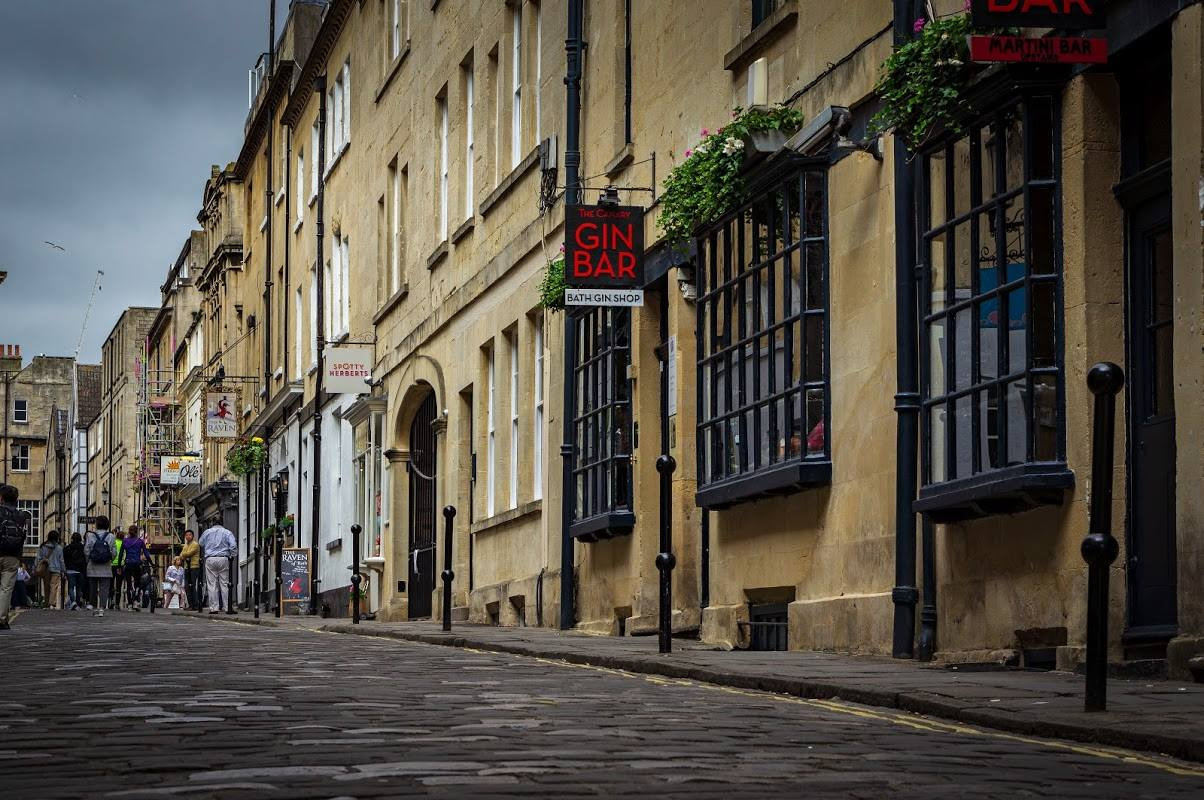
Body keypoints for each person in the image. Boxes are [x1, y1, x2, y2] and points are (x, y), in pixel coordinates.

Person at [0, 483, 28, 631]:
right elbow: (23, 537)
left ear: (1, 498)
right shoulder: (21, 516)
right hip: (12, 556)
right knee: (6, 589)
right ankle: (2, 619)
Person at [199, 522, 236, 614]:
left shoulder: (207, 532)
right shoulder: (227, 532)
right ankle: (227, 607)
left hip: (210, 558)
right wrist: (233, 555)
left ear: (212, 523)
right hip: (223, 558)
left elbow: (200, 543)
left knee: (212, 584)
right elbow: (233, 545)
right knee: (225, 583)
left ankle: (214, 608)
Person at [84, 517, 116, 618]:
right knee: (104, 589)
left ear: (97, 524)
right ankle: (102, 608)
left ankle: (94, 607)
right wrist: (109, 559)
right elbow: (114, 552)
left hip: (93, 566)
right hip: (106, 567)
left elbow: (86, 550)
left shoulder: (90, 535)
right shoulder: (111, 536)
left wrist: (88, 560)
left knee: (93, 588)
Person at [36, 530, 66, 610]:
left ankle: (46, 603)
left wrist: (37, 566)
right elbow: (61, 560)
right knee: (54, 586)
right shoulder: (59, 548)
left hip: (46, 569)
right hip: (56, 569)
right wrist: (63, 570)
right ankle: (51, 603)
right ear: (57, 538)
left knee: (46, 586)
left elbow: (38, 558)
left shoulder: (43, 546)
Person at [119, 525, 146, 611]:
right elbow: (146, 553)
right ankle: (136, 602)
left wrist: (119, 566)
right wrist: (151, 563)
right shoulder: (140, 541)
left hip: (128, 564)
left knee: (129, 584)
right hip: (137, 564)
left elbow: (120, 554)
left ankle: (130, 604)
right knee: (137, 584)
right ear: (137, 532)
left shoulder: (125, 541)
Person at [63, 532, 88, 610]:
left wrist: (65, 568)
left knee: (71, 587)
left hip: (70, 570)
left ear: (72, 539)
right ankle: (78, 602)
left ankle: (73, 602)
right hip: (80, 570)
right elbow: (85, 559)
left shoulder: (67, 548)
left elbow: (64, 559)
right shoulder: (83, 548)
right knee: (79, 588)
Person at [180, 530, 201, 610]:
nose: (188, 536)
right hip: (187, 567)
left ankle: (195, 605)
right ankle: (190, 605)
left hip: (194, 567)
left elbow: (189, 554)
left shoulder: (195, 544)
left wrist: (183, 554)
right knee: (187, 587)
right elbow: (181, 556)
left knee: (192, 586)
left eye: (190, 535)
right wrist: (183, 555)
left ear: (193, 536)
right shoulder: (185, 545)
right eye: (186, 535)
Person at [109, 529, 125, 610]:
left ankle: (111, 601)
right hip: (120, 566)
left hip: (111, 565)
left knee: (111, 584)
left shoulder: (114, 542)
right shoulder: (124, 543)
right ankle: (117, 603)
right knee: (119, 585)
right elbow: (124, 555)